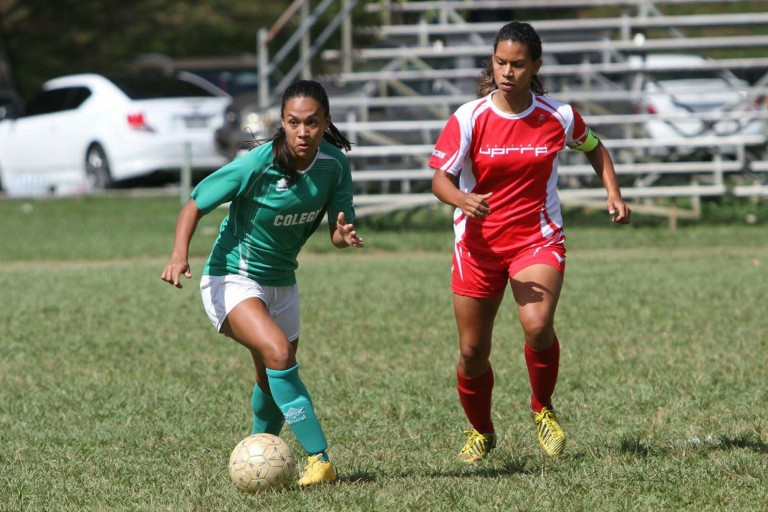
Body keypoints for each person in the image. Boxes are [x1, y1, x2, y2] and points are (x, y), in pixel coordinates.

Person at [429, 21, 631, 463]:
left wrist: (613, 192)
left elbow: (595, 147)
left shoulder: (558, 116)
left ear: (535, 66)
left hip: (535, 240)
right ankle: (481, 430)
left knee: (537, 326)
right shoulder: (469, 117)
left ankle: (542, 407)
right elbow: (440, 179)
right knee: (471, 351)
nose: (507, 72)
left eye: (518, 64)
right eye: (500, 62)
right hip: (478, 247)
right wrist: (463, 199)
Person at [161, 80, 364, 486]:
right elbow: (194, 205)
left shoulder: (334, 166)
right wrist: (179, 255)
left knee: (270, 378)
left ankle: (259, 454)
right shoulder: (258, 164)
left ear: (326, 122)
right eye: (293, 122)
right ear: (281, 122)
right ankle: (320, 458)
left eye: (312, 122)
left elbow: (337, 233)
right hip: (231, 276)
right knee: (278, 353)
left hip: (282, 282)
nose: (302, 132)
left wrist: (344, 236)